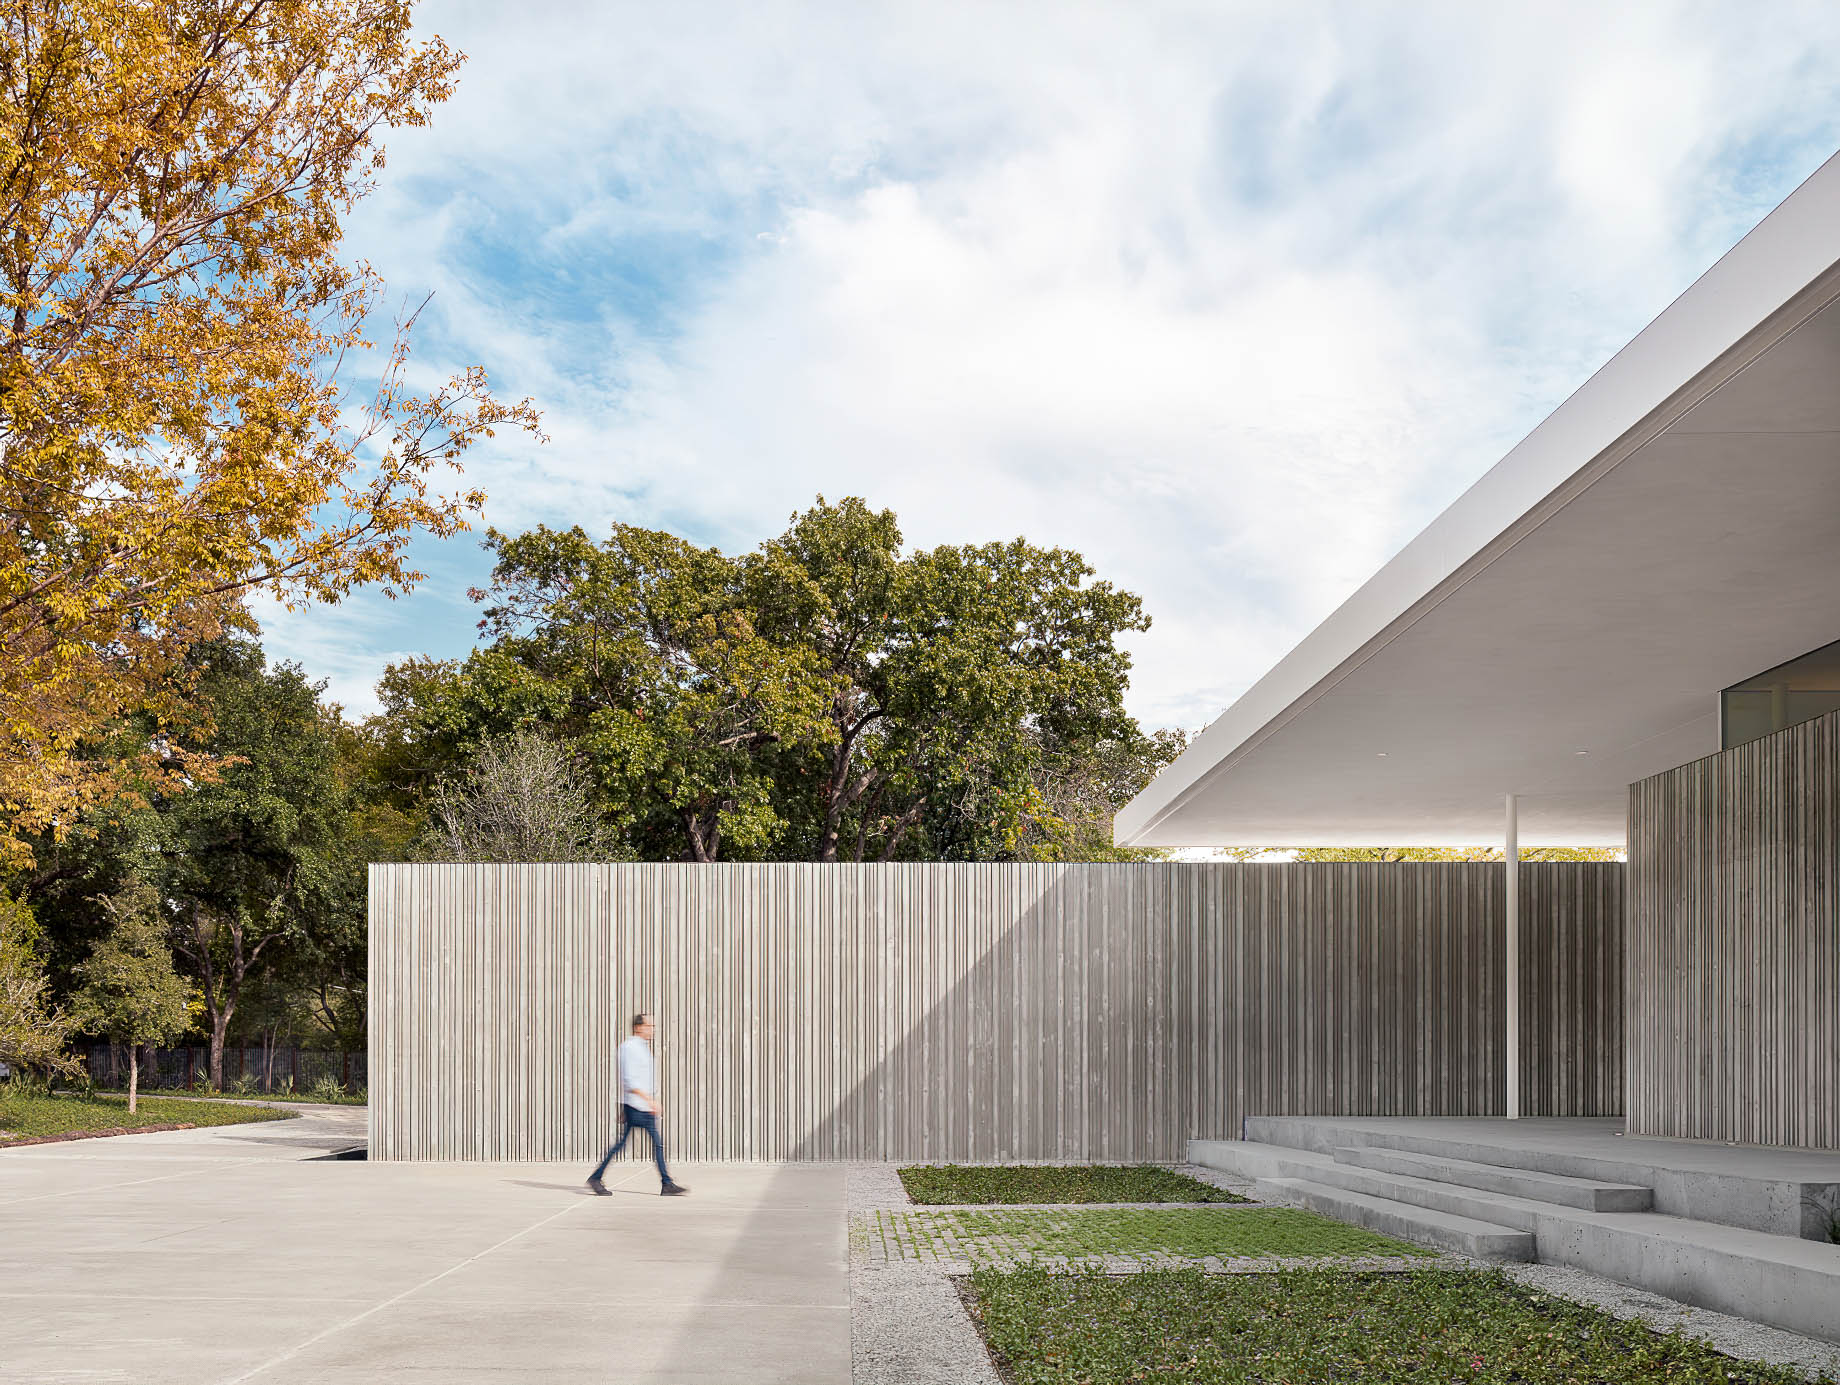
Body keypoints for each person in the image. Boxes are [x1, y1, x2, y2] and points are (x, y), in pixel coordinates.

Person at [587, 1012, 688, 1197]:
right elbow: (629, 1079)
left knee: (645, 1143)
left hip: (640, 1105)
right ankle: (596, 1178)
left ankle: (666, 1183)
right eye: (649, 1026)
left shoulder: (641, 1047)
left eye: (653, 1026)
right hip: (638, 1106)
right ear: (638, 1027)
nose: (652, 1030)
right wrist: (648, 1101)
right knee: (633, 1144)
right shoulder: (629, 1047)